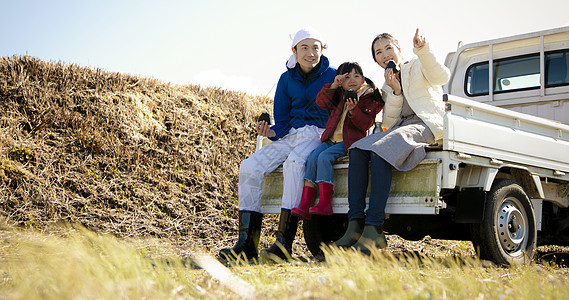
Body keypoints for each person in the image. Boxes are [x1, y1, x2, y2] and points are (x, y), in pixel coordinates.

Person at [219, 27, 337, 261]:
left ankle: (283, 245)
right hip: (291, 134)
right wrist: (270, 131)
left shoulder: (332, 74)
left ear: (322, 50)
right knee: (249, 166)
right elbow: (282, 122)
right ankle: (246, 244)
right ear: (294, 50)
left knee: (294, 164)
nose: (311, 53)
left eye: (316, 47)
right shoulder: (286, 79)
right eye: (304, 48)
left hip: (319, 134)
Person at [334, 29, 450, 253]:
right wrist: (395, 92)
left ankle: (374, 228)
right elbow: (389, 122)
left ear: (399, 50)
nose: (384, 53)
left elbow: (441, 77)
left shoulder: (417, 64)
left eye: (388, 48)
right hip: (402, 127)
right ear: (376, 60)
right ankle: (355, 224)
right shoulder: (386, 85)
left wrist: (423, 50)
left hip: (426, 123)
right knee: (358, 148)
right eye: (378, 52)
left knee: (381, 148)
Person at [291, 62, 383, 219]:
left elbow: (365, 124)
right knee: (312, 158)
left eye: (356, 76)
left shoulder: (368, 98)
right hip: (331, 139)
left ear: (363, 79)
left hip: (349, 142)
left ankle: (325, 202)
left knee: (324, 158)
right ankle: (306, 203)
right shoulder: (339, 94)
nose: (352, 80)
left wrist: (354, 110)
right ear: (341, 81)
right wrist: (334, 85)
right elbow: (321, 103)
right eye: (347, 77)